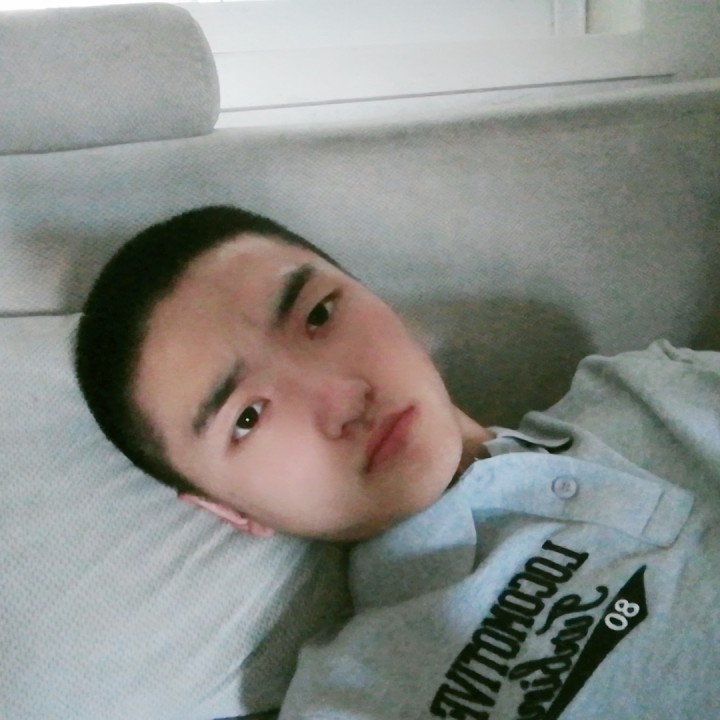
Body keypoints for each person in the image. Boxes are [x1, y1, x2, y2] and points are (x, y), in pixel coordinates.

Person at [76, 205, 720, 718]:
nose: (341, 399)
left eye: (320, 314)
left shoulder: (650, 389)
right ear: (230, 511)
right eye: (247, 417)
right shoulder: (357, 697)